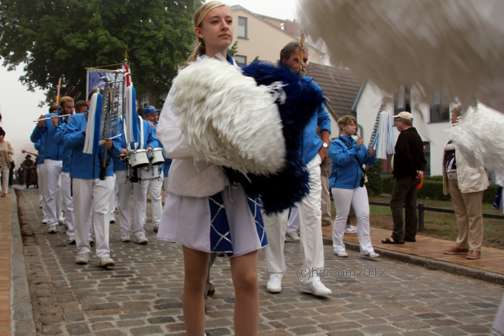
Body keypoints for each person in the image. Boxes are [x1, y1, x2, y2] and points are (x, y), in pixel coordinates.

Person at [157, 2, 266, 335]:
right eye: (215, 21)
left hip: (241, 189)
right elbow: (170, 135)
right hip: (200, 187)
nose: (224, 26)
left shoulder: (247, 79)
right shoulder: (187, 78)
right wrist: (215, 141)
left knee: (247, 280)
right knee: (196, 280)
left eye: (229, 21)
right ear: (199, 31)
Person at [264, 42, 332, 297]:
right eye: (297, 60)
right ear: (284, 60)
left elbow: (324, 119)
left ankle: (311, 276)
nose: (302, 65)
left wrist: (324, 146)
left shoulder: (312, 86)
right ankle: (275, 272)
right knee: (277, 217)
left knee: (313, 215)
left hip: (310, 160)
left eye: (305, 60)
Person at [64, 97, 116, 268]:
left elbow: (121, 144)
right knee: (81, 212)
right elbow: (67, 140)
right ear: (89, 103)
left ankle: (103, 253)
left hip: (104, 171)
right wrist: (85, 133)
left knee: (102, 212)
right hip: (81, 172)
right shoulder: (76, 119)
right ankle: (83, 250)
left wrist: (112, 146)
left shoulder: (112, 121)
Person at [329, 115, 379, 258]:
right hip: (342, 184)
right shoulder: (335, 143)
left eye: (355, 125)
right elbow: (341, 160)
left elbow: (365, 160)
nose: (354, 127)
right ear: (343, 127)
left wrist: (371, 155)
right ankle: (338, 246)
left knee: (364, 215)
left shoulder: (358, 143)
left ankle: (367, 247)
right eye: (351, 125)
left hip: (358, 183)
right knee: (342, 215)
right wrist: (355, 149)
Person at [443, 106, 488, 260]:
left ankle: (475, 247)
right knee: (461, 214)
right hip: (454, 179)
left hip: (471, 179)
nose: (451, 118)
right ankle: (462, 244)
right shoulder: (453, 135)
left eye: (453, 115)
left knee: (474, 215)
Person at [382, 111, 426, 244]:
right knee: (411, 205)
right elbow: (421, 157)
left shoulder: (404, 136)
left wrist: (404, 170)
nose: (395, 123)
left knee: (396, 203)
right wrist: (419, 171)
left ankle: (397, 235)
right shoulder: (416, 135)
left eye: (397, 121)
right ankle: (410, 235)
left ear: (402, 121)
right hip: (413, 177)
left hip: (404, 176)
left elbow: (405, 157)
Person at [124, 112, 160, 243]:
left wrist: (151, 146)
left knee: (140, 198)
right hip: (123, 164)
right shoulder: (120, 123)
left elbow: (154, 139)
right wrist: (121, 149)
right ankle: (124, 230)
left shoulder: (146, 125)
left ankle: (139, 231)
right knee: (123, 199)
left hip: (141, 163)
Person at [31, 104, 65, 232]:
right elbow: (34, 138)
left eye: (59, 111)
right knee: (50, 191)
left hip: (65, 159)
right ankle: (51, 221)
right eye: (54, 111)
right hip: (49, 159)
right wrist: (39, 126)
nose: (56, 113)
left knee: (61, 190)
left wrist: (58, 126)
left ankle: (59, 215)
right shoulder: (46, 121)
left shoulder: (67, 120)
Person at [53, 96, 76, 243]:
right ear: (62, 109)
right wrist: (57, 125)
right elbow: (58, 139)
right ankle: (72, 232)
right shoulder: (60, 123)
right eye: (68, 107)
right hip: (65, 165)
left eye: (72, 107)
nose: (71, 110)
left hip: (79, 166)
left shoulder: (77, 119)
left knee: (80, 202)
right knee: (68, 201)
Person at [137, 105, 163, 234]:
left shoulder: (158, 126)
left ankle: (158, 223)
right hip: (142, 166)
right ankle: (139, 225)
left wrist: (151, 145)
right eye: (152, 115)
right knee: (141, 197)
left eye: (156, 115)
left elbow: (157, 141)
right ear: (146, 116)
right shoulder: (143, 125)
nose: (155, 117)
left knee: (156, 196)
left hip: (156, 165)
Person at [0, 127, 13, 197]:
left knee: (5, 177)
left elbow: (12, 151)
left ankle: (5, 192)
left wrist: (7, 151)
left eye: (1, 135)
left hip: (6, 162)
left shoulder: (7, 143)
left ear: (3, 136)